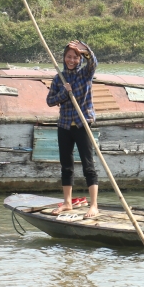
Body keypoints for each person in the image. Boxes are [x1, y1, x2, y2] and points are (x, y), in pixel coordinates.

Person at [45, 40, 99, 218]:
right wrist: (64, 93)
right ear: (63, 58)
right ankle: (67, 203)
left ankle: (94, 206)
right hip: (65, 125)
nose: (72, 60)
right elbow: (50, 101)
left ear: (79, 59)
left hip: (82, 123)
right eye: (69, 57)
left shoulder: (85, 74)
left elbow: (94, 63)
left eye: (75, 57)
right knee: (66, 166)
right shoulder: (59, 78)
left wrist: (86, 50)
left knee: (88, 165)